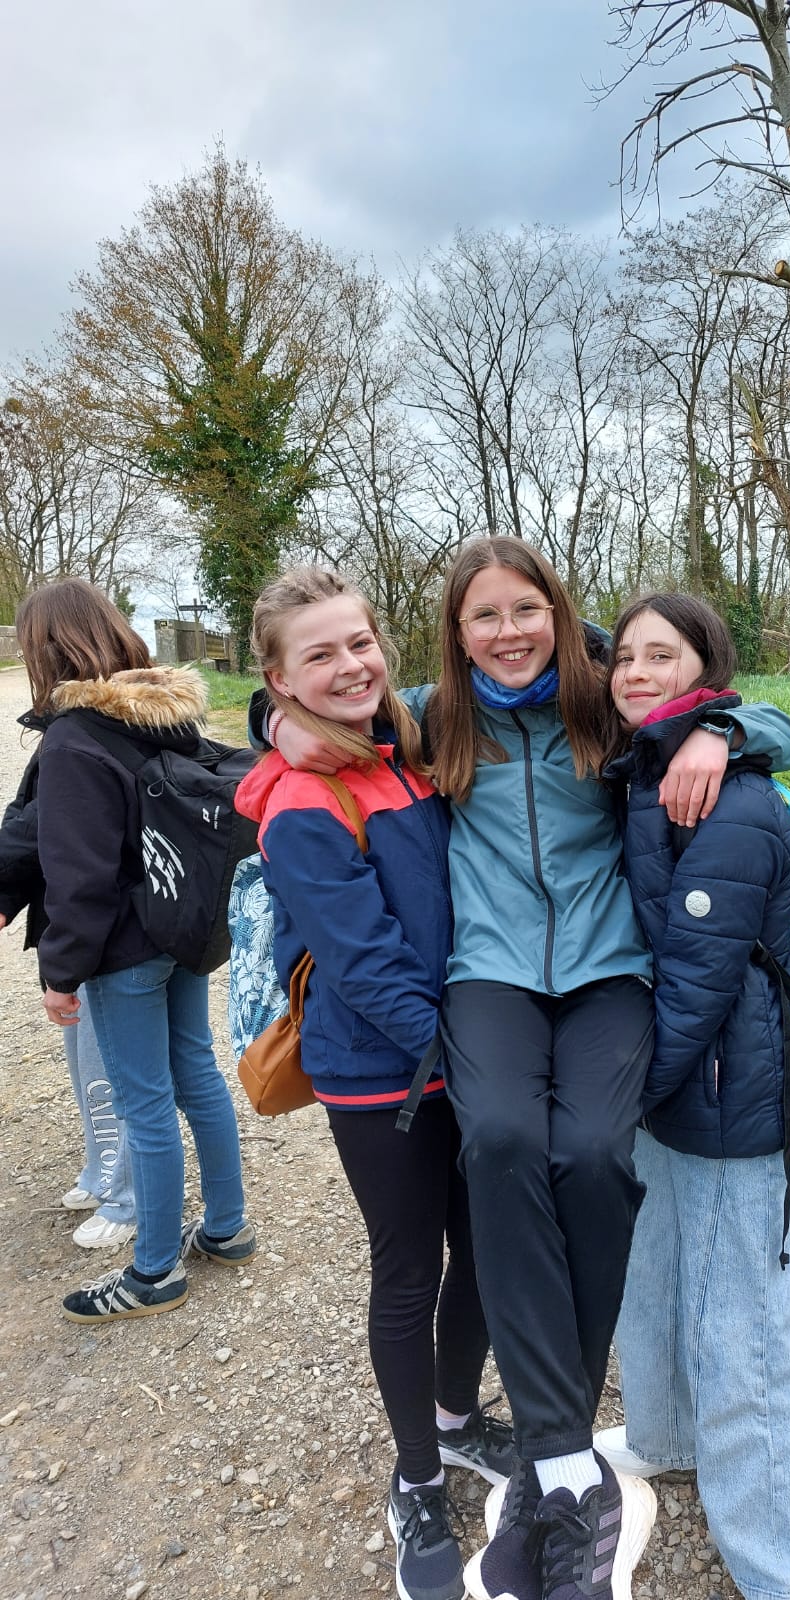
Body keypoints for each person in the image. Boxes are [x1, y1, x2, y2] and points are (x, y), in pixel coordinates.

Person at [264, 538, 790, 1600]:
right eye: (484, 616)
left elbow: (764, 715)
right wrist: (273, 718)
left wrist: (726, 730)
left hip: (607, 970)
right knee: (503, 1141)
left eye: (526, 609)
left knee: (596, 1154)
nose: (508, 632)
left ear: (557, 610)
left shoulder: (605, 703)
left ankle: (556, 1449)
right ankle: (564, 1459)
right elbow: (317, 709)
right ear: (456, 632)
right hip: (489, 974)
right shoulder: (432, 716)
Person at [237, 565, 511, 1600]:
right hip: (379, 1073)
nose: (351, 665)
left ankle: (456, 1415)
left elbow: (582, 654)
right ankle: (417, 1478)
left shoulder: (408, 740)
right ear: (279, 679)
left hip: (464, 1052)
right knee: (408, 1268)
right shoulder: (302, 800)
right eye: (320, 655)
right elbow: (365, 961)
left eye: (360, 642)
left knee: (482, 1249)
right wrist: (457, 1050)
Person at [597, 593, 790, 1600]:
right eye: (626, 656)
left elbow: (696, 987)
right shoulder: (646, 768)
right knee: (652, 1278)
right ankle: (665, 1437)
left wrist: (610, 1101)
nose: (636, 672)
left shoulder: (731, 799)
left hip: (728, 1097)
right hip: (666, 1089)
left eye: (663, 655)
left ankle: (786, 1571)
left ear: (707, 671)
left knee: (746, 1334)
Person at [16, 578, 253, 1321]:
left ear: (46, 650)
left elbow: (79, 878)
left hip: (124, 951)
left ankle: (153, 1271)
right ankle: (227, 1227)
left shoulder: (74, 739)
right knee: (198, 1076)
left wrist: (61, 972)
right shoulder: (164, 715)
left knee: (143, 1105)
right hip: (181, 927)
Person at [1, 742, 137, 1249]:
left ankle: (126, 1194)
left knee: (112, 1070)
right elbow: (30, 817)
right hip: (95, 933)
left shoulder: (82, 736)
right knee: (87, 1059)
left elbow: (69, 850)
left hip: (108, 937)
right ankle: (103, 1171)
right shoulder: (65, 733)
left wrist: (63, 971)